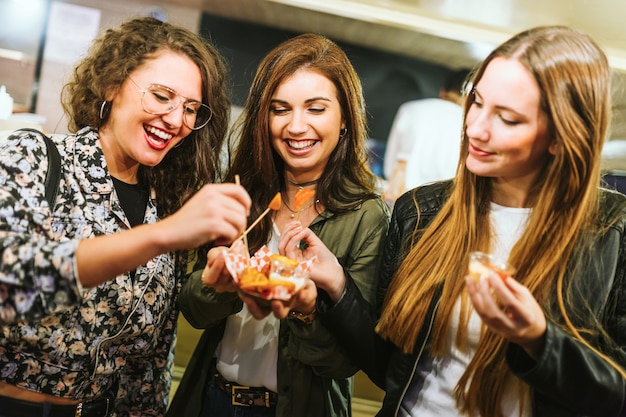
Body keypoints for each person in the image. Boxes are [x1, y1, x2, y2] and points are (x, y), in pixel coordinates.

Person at [280, 25, 626, 417]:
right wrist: (338, 285)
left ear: (563, 136)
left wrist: (540, 340)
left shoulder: (613, 232)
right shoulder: (421, 212)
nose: (474, 128)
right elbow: (389, 368)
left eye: (507, 119)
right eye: (475, 102)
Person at [0, 17, 251, 417]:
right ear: (112, 85)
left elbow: (148, 364)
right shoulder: (35, 158)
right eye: (161, 95)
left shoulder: (163, 203)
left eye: (190, 108)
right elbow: (10, 286)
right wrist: (161, 236)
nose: (175, 120)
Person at [167, 33, 390, 417]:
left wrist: (305, 308)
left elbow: (349, 360)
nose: (296, 126)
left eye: (316, 109)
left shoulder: (366, 216)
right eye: (280, 109)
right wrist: (219, 285)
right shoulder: (240, 191)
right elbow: (193, 311)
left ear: (344, 121)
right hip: (213, 400)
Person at [382, 67, 471, 203]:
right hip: (441, 204)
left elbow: (390, 164)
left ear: (442, 91)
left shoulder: (410, 109)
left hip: (400, 198)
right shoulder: (469, 125)